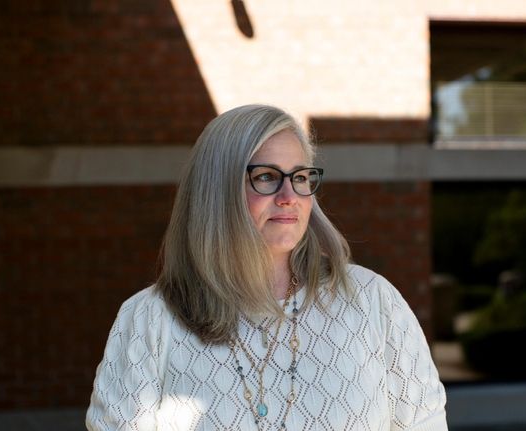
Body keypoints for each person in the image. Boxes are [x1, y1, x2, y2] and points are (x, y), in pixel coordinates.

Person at [86, 104, 448, 430]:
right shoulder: (150, 319)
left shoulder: (371, 301)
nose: (289, 197)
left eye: (301, 177)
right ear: (217, 190)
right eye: (266, 177)